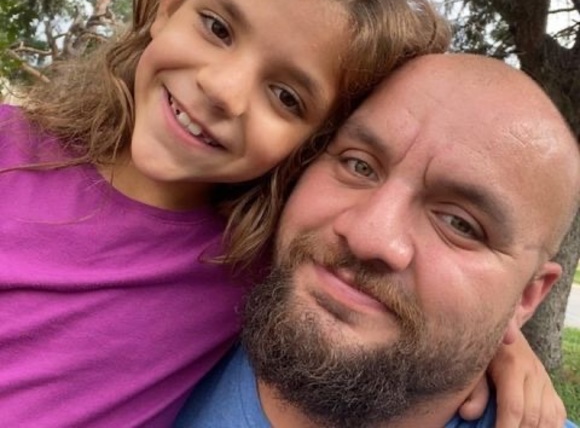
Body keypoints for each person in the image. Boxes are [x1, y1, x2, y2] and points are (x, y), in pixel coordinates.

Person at [0, 0, 450, 427]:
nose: (222, 90)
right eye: (218, 28)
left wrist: (501, 351)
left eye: (286, 97)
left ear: (311, 144)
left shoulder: (260, 271)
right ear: (170, 4)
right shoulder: (10, 144)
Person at [175, 53, 580, 428]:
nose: (369, 236)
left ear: (527, 296)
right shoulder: (178, 322)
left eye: (460, 224)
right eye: (359, 165)